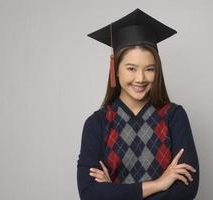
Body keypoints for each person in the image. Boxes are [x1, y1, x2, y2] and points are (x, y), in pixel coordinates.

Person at [76, 8, 200, 200]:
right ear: (116, 69)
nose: (140, 78)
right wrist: (158, 185)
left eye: (149, 69)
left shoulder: (174, 116)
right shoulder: (96, 124)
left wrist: (114, 192)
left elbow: (186, 190)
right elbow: (90, 194)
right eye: (131, 68)